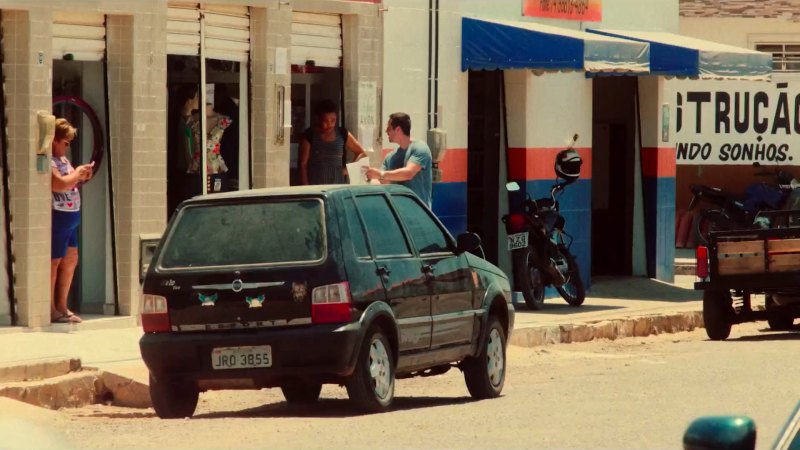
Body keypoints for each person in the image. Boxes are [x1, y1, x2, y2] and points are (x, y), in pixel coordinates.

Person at [51, 118, 94, 324]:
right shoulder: (48, 160)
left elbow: (71, 180)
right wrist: (76, 174)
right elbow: (59, 184)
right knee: (54, 262)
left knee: (70, 260)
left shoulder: (64, 161)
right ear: (54, 140)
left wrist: (82, 174)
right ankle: (51, 307)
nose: (67, 147)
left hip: (71, 218)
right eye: (65, 142)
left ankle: (62, 305)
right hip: (58, 217)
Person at [366, 112, 433, 206]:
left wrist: (381, 174)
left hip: (419, 214)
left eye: (389, 128)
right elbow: (382, 181)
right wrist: (369, 178)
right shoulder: (390, 157)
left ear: (398, 130)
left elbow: (408, 173)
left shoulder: (420, 148)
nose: (386, 131)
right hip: (399, 215)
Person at [299, 99, 367, 185]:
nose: (330, 124)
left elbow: (362, 154)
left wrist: (349, 169)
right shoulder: (309, 135)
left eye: (333, 120)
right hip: (316, 187)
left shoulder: (342, 133)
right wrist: (306, 188)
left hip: (337, 187)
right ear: (318, 119)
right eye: (325, 121)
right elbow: (303, 165)